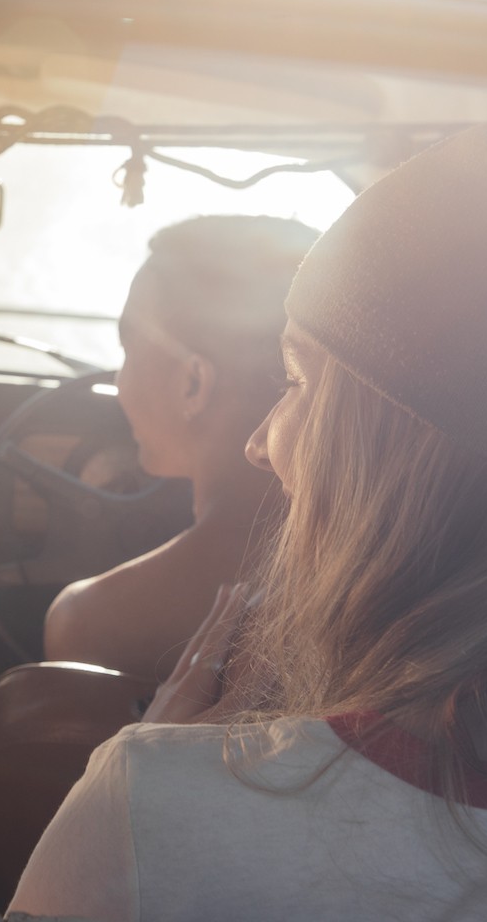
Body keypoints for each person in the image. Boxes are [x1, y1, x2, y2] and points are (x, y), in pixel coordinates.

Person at [11, 97, 487, 921]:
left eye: (300, 382)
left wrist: (160, 751)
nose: (262, 442)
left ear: (388, 458)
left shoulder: (153, 815)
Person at [42, 215, 317, 684]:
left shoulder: (90, 622)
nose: (117, 382)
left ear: (193, 382)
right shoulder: (385, 588)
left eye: (128, 350)